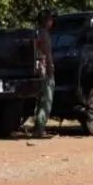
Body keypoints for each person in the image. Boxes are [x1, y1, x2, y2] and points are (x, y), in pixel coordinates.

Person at [32, 9, 56, 139]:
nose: (52, 22)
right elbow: (47, 54)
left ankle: (38, 128)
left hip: (38, 70)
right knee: (46, 99)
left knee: (40, 100)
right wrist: (50, 68)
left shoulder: (35, 32)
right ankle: (40, 128)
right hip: (45, 70)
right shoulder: (43, 34)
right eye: (50, 19)